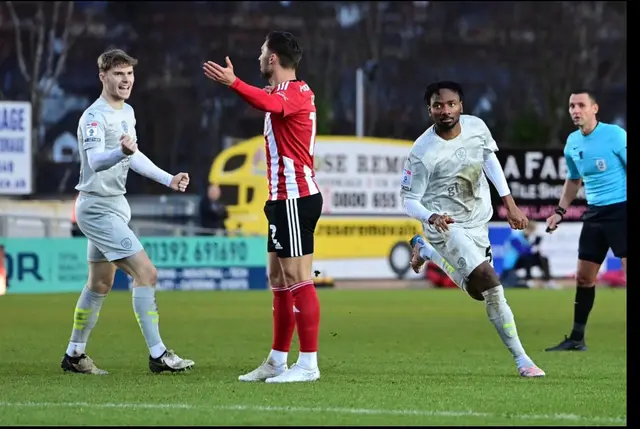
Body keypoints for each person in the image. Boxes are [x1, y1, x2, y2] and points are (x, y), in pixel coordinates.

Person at [61, 49, 195, 375]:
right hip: (96, 207)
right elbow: (96, 161)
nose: (126, 80)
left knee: (99, 283)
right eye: (119, 74)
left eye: (130, 74)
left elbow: (132, 157)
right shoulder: (94, 117)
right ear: (103, 77)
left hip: (114, 205)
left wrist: (168, 178)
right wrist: (119, 150)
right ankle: (158, 354)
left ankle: (75, 354)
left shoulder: (128, 112)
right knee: (146, 273)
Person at [402, 81, 545, 377]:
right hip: (445, 226)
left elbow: (489, 161)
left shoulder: (477, 127)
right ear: (429, 110)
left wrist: (510, 204)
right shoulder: (422, 152)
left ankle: (424, 250)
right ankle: (523, 359)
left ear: (461, 106)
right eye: (438, 105)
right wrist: (431, 217)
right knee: (490, 281)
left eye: (451, 103)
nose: (445, 110)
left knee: (479, 292)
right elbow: (409, 200)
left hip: (478, 220)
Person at [203, 31, 323, 383]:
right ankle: (276, 360)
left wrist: (233, 82)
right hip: (280, 200)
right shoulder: (281, 92)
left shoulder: (297, 92)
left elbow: (271, 105)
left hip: (295, 197)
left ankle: (309, 364)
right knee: (278, 278)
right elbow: (269, 101)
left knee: (299, 278)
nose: (258, 56)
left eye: (261, 51)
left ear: (273, 59)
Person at [544, 89, 626, 352]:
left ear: (594, 109)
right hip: (595, 213)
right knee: (583, 278)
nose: (575, 110)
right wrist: (559, 211)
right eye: (571, 106)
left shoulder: (615, 135)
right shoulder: (572, 142)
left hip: (622, 211)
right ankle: (577, 338)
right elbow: (573, 179)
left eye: (581, 105)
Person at [500, 221, 553, 288]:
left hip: (523, 260)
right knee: (528, 258)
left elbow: (531, 251)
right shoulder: (515, 237)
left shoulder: (528, 238)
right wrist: (532, 247)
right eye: (530, 230)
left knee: (543, 259)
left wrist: (535, 245)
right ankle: (529, 280)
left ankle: (547, 280)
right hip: (513, 262)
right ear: (526, 228)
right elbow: (522, 251)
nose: (531, 232)